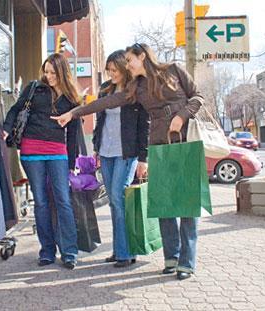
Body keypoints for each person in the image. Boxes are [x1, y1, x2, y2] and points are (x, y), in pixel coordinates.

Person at [51, 43, 204, 280]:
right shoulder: (137, 87)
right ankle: (172, 256)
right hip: (159, 145)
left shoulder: (173, 70)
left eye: (130, 60)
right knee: (164, 205)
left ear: (142, 57)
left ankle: (187, 260)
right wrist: (74, 113)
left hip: (184, 141)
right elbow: (105, 103)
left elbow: (197, 96)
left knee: (185, 205)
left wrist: (182, 116)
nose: (128, 65)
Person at [4, 53, 80, 270]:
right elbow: (16, 109)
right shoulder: (34, 88)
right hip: (31, 150)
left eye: (53, 73)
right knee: (41, 201)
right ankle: (47, 250)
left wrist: (72, 162)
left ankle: (69, 251)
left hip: (58, 152)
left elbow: (73, 132)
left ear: (62, 73)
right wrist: (5, 129)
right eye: (46, 72)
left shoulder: (71, 97)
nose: (48, 76)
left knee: (63, 200)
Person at [93, 50, 149, 268]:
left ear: (124, 68)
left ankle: (125, 252)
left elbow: (144, 125)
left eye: (114, 70)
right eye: (109, 70)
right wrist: (96, 148)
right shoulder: (106, 89)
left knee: (117, 197)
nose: (111, 73)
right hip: (106, 151)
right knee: (114, 203)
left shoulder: (135, 90)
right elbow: (100, 120)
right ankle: (120, 250)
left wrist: (143, 158)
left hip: (127, 152)